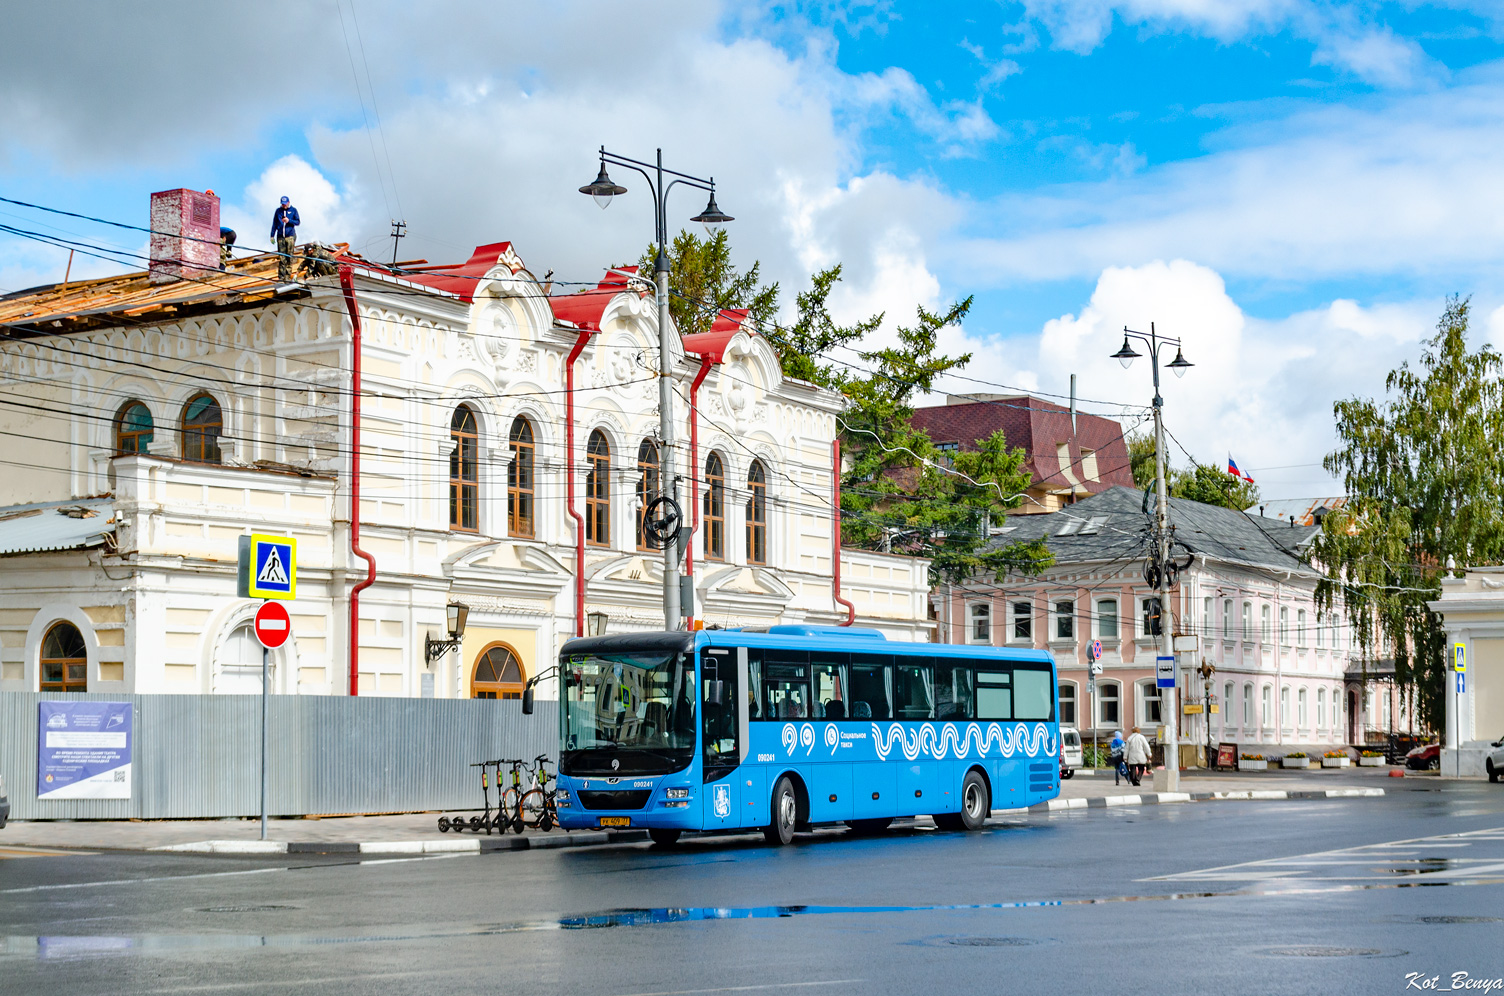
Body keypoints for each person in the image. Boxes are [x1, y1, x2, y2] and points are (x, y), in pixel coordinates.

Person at [270, 196, 300, 281]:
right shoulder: (278, 211)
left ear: (288, 202)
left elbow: (298, 222)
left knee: (289, 256)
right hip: (280, 237)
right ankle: (281, 276)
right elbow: (274, 224)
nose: (284, 206)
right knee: (282, 257)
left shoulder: (293, 210)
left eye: (285, 204)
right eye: (282, 204)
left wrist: (289, 221)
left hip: (290, 236)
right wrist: (272, 235)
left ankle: (287, 275)